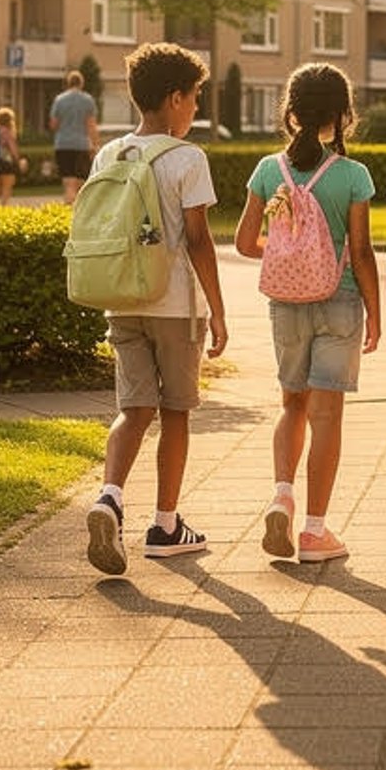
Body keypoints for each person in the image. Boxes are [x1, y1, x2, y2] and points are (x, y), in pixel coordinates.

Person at [84, 42, 230, 575]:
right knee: (175, 412)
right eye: (194, 99)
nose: (195, 109)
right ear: (174, 99)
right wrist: (217, 309)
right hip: (174, 306)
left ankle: (110, 497)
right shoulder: (188, 158)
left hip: (123, 299)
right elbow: (198, 240)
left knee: (132, 409)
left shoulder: (111, 154)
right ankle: (166, 525)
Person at [233, 64, 380, 565]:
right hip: (338, 302)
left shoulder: (268, 170)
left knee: (291, 405)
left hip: (286, 305)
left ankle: (281, 496)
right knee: (327, 417)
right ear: (342, 115)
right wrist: (377, 313)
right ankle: (315, 531)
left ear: (290, 112)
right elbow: (361, 253)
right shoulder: (353, 175)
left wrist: (284, 250)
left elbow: (244, 243)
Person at [50, 69, 100, 203]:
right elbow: (91, 125)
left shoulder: (59, 100)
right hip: (81, 145)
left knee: (68, 182)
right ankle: (75, 209)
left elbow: (54, 125)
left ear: (68, 83)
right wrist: (95, 145)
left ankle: (68, 208)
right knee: (79, 182)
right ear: (81, 83)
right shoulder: (88, 100)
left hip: (63, 144)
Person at [0, 106, 25, 207]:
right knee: (7, 188)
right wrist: (19, 161)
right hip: (5, 162)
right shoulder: (7, 132)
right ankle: (3, 209)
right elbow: (13, 149)